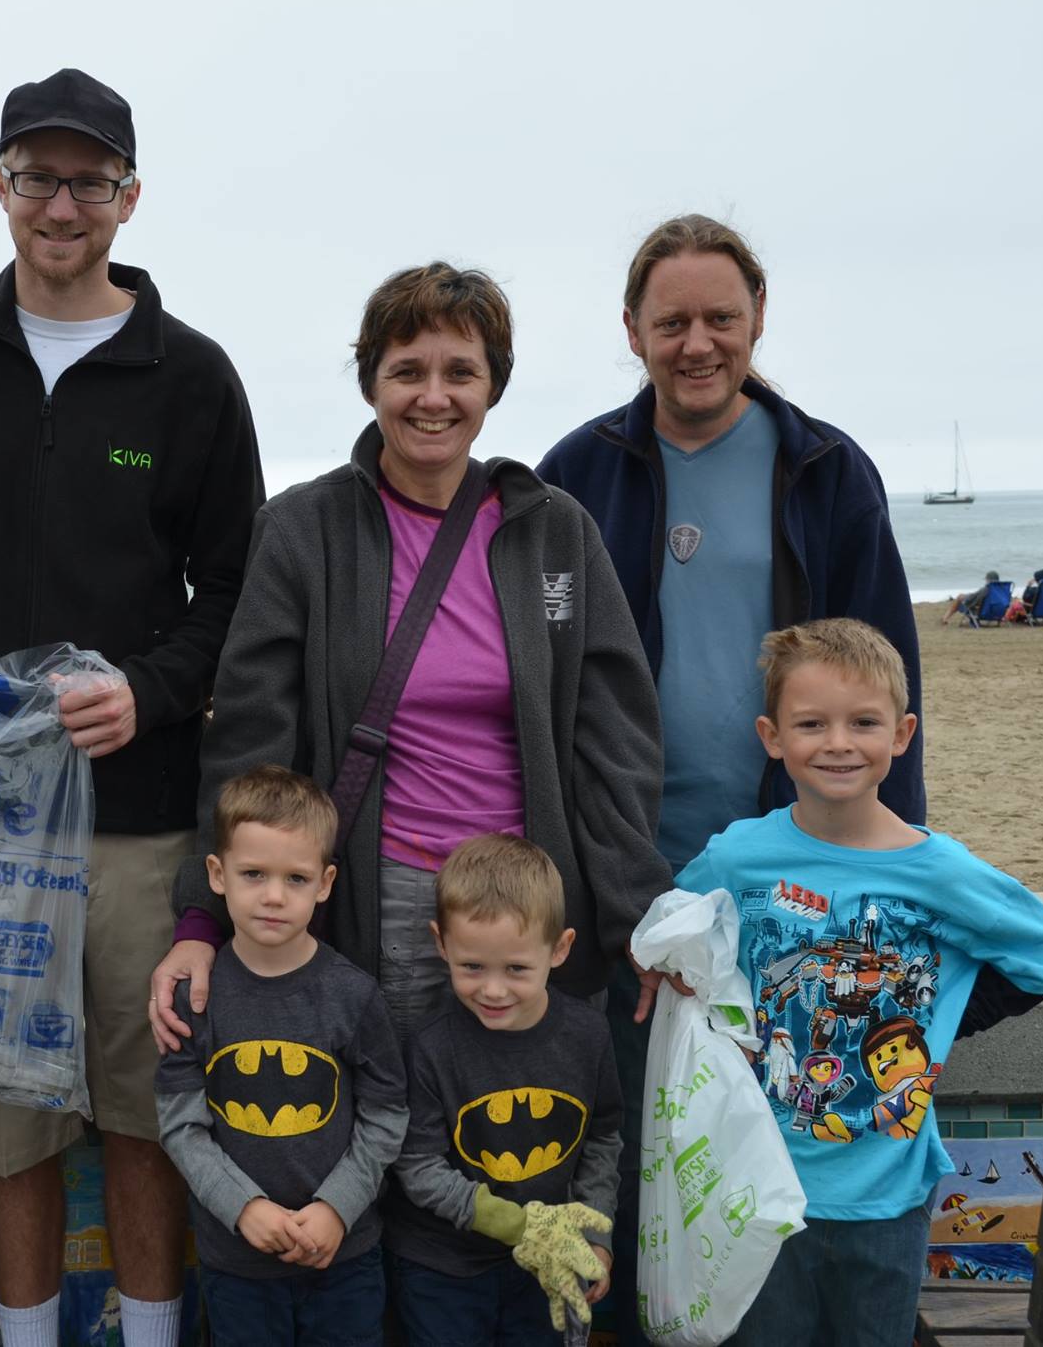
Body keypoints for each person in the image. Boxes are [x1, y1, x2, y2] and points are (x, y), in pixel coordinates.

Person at [148, 260, 663, 1325]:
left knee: (502, 1141)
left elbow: (613, 737)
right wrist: (201, 919)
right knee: (371, 1136)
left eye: (459, 371)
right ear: (369, 381)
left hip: (520, 900)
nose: (433, 394)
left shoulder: (551, 531)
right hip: (370, 898)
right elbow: (247, 737)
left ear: (493, 385)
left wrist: (629, 915)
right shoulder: (304, 528)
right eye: (406, 368)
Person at [0, 68, 264, 1347]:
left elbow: (239, 592)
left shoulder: (191, 376)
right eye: (36, 176)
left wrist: (146, 693)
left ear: (128, 198)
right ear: (0, 187)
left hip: (137, 818)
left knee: (146, 1112)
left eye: (89, 180)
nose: (61, 203)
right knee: (5, 1121)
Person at [535, 215, 927, 1339]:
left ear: (757, 321)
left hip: (783, 879)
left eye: (719, 318)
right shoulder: (575, 475)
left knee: (764, 1162)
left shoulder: (824, 472)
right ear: (630, 330)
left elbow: (886, 685)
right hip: (623, 878)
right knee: (626, 1154)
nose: (695, 342)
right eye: (670, 321)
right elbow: (543, 667)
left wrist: (885, 883)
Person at [678, 619, 1043, 1346]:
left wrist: (936, 1020)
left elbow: (1042, 955)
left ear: (902, 732)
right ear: (771, 736)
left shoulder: (939, 870)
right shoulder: (739, 856)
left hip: (889, 1192)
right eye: (811, 723)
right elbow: (680, 930)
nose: (837, 742)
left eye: (863, 722)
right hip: (763, 1186)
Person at [155, 766, 406, 1345]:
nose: (273, 895)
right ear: (216, 875)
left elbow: (387, 1115)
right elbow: (180, 1125)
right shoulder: (196, 996)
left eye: (296, 878)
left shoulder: (353, 995)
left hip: (342, 1256)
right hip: (236, 1261)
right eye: (254, 874)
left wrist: (336, 1208)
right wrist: (243, 1208)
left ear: (325, 883)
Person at [389, 833, 622, 1343]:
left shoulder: (588, 1036)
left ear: (559, 949)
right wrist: (518, 1226)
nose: (493, 990)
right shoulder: (432, 1047)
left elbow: (603, 1138)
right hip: (443, 1267)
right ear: (441, 943)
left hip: (547, 1266)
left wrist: (593, 1233)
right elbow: (418, 1165)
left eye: (517, 969)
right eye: (471, 966)